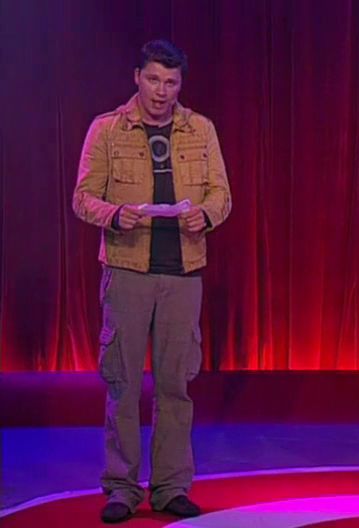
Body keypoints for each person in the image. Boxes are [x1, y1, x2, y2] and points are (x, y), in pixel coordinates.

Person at [72, 39, 231, 524]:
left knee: (175, 386)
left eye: (171, 82)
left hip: (182, 273)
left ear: (180, 84)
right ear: (137, 78)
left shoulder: (201, 129)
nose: (162, 91)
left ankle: (170, 487)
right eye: (154, 79)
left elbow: (221, 195)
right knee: (122, 384)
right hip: (127, 271)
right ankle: (121, 487)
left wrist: (205, 215)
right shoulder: (106, 129)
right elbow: (82, 197)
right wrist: (115, 214)